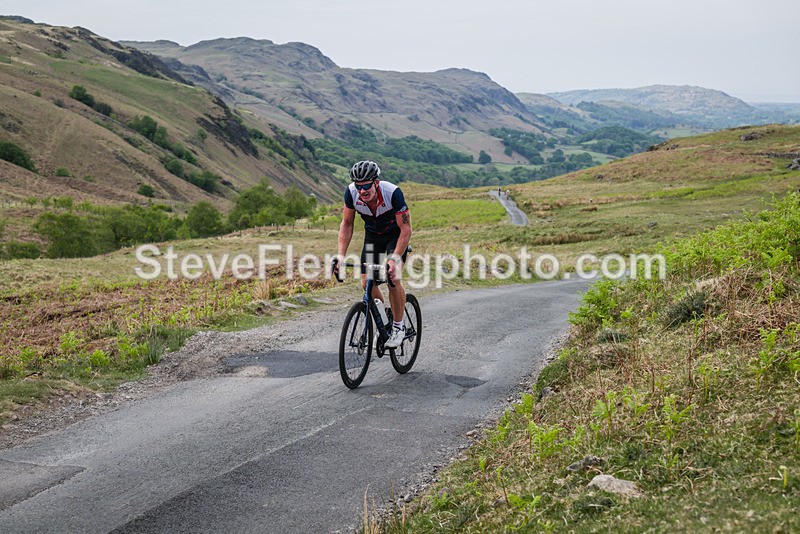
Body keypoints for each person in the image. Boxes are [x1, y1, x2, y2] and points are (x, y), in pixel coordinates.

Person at [333, 161, 412, 348]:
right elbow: (347, 224)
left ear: (376, 182)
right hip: (373, 237)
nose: (362, 191)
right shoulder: (351, 193)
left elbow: (406, 229)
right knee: (366, 282)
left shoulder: (392, 193)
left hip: (395, 236)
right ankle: (384, 319)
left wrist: (394, 259)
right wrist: (341, 256)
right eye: (359, 186)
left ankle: (399, 327)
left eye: (366, 186)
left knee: (393, 277)